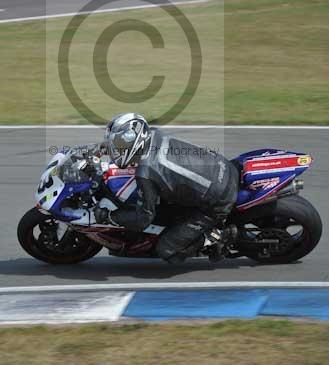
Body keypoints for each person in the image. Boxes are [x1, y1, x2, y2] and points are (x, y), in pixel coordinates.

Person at [94, 112, 239, 263]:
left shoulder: (145, 173)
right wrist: (100, 149)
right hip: (223, 167)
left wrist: (110, 216)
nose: (116, 150)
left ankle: (216, 236)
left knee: (166, 250)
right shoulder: (154, 135)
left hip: (218, 201)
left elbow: (144, 218)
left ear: (133, 142)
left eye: (118, 145)